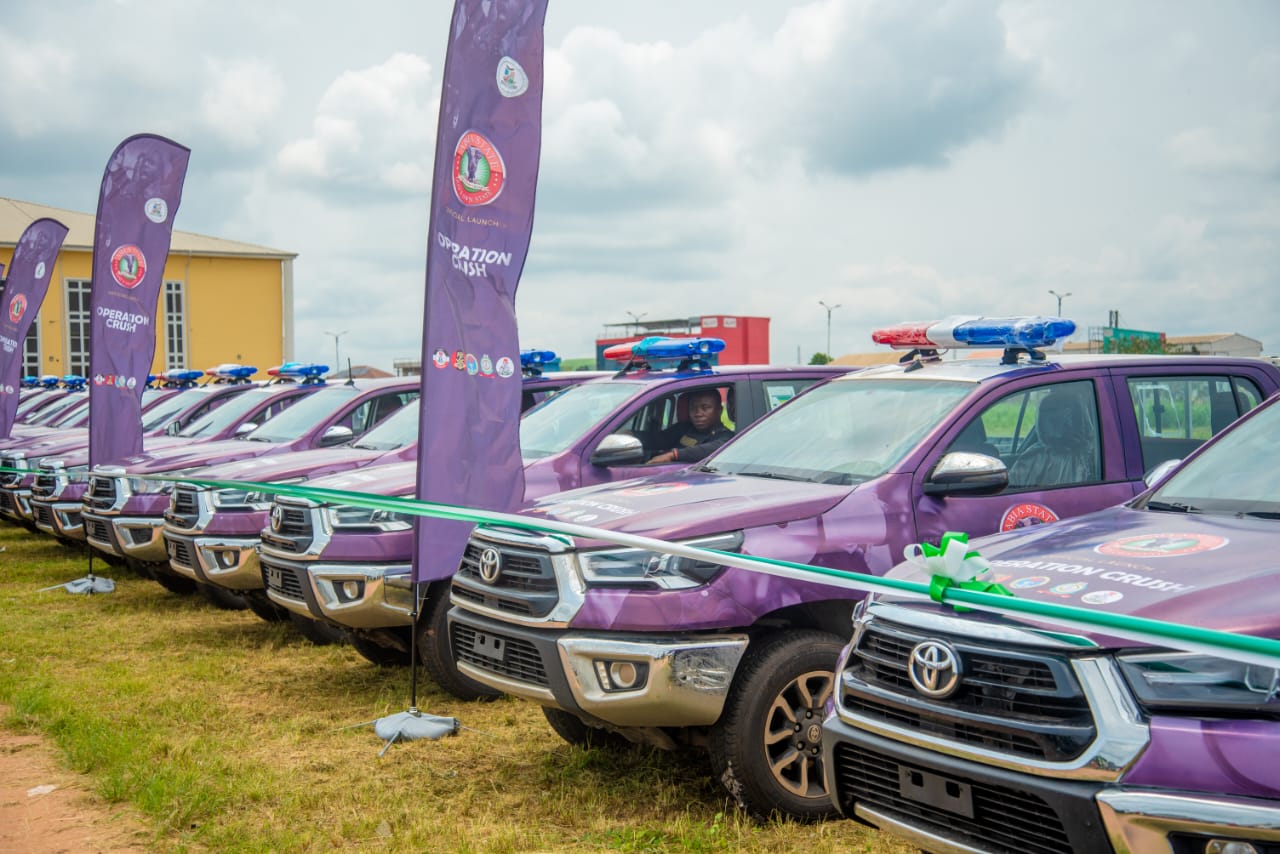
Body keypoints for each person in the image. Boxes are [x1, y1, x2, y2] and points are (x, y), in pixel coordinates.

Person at [648, 388, 733, 463]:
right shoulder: (685, 428)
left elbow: (715, 449)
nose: (698, 414)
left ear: (719, 410)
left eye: (705, 408)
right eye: (693, 408)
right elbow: (657, 439)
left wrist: (674, 455)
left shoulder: (726, 436)